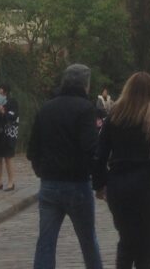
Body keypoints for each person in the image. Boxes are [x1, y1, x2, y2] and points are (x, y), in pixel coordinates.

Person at [93, 71, 150, 269]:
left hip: (117, 184)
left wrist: (98, 184)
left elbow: (101, 152)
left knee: (127, 239)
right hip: (144, 183)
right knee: (148, 242)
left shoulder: (114, 112)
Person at [28, 63, 104, 269]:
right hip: (77, 182)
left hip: (50, 182)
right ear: (85, 85)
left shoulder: (47, 107)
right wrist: (99, 180)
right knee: (88, 240)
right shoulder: (85, 108)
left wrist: (40, 169)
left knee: (46, 241)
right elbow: (91, 148)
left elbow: (33, 146)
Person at [0, 83, 19, 191]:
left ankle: (11, 182)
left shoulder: (12, 101)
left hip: (8, 133)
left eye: (0, 89)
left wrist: (3, 112)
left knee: (8, 157)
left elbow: (14, 115)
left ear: (5, 91)